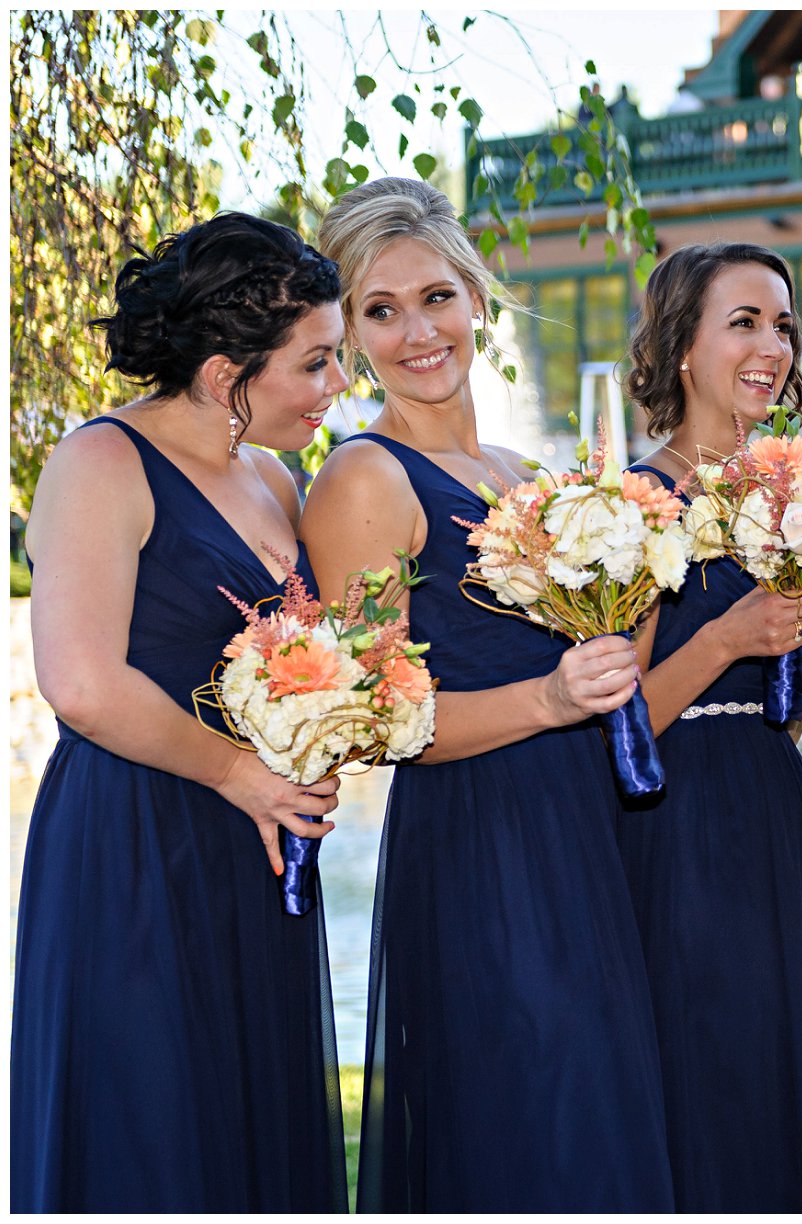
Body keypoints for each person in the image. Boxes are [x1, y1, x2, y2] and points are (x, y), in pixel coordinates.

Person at [304, 177, 672, 1211]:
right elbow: (379, 717)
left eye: (435, 297)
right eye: (380, 311)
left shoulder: (518, 469)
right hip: (479, 846)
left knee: (599, 1125)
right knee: (530, 1124)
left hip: (580, 831)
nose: (418, 332)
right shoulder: (362, 480)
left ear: (477, 297)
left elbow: (610, 658)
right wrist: (553, 701)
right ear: (349, 334)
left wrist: (647, 560)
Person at [12, 213, 348, 1210]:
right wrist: (244, 774)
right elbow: (79, 680)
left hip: (260, 843)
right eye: (317, 363)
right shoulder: (99, 463)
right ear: (221, 374)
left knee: (252, 1117)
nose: (339, 386)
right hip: (137, 840)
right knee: (150, 1121)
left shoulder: (278, 479)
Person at [617, 241, 802, 1210]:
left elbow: (792, 700)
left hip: (779, 810)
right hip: (679, 829)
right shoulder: (636, 503)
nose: (773, 347)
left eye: (784, 326)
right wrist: (724, 640)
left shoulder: (781, 497)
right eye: (744, 323)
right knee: (717, 1078)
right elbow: (614, 724)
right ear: (682, 346)